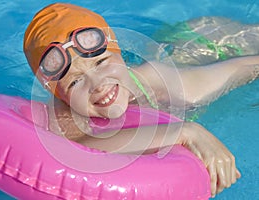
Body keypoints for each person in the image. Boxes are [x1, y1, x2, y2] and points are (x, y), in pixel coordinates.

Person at [23, 3, 259, 198]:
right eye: (75, 82)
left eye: (101, 63)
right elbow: (82, 151)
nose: (97, 85)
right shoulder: (63, 114)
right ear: (60, 95)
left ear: (119, 54)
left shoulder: (160, 83)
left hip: (199, 43)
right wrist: (186, 132)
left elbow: (241, 68)